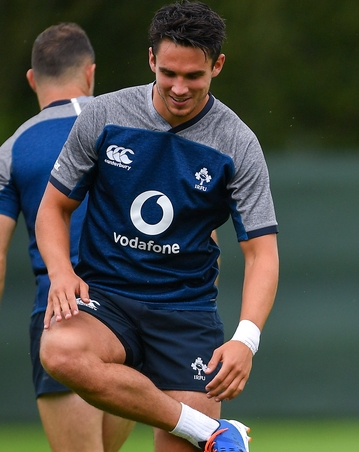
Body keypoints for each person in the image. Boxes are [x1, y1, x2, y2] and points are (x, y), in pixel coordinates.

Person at [34, 2, 279, 452]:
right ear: (151, 59)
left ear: (217, 66)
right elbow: (53, 208)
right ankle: (211, 433)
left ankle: (199, 429)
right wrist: (61, 272)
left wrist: (246, 339)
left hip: (186, 315)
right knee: (59, 350)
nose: (179, 88)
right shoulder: (104, 116)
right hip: (106, 301)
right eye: (169, 73)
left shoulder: (237, 143)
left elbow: (262, 252)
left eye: (194, 76)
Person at [0, 23, 136, 452]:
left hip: (62, 319)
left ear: (32, 79)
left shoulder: (14, 149)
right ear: (91, 74)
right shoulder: (137, 129)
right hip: (133, 321)